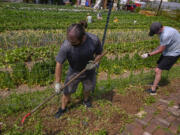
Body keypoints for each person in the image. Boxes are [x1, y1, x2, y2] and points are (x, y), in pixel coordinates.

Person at [54, 22, 103, 118]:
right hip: (74, 71)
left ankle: (86, 101)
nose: (71, 43)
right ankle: (63, 108)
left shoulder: (93, 40)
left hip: (89, 70)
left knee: (88, 88)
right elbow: (59, 63)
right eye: (69, 41)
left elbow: (99, 53)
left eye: (74, 43)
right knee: (67, 91)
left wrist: (94, 63)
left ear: (83, 37)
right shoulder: (66, 45)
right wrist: (57, 83)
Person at [141, 22, 180, 95]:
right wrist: (150, 52)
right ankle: (155, 83)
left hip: (174, 52)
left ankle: (153, 90)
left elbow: (160, 50)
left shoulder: (165, 35)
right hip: (168, 50)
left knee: (158, 70)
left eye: (156, 33)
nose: (156, 34)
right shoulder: (164, 30)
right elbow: (161, 46)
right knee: (158, 68)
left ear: (160, 29)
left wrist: (148, 54)